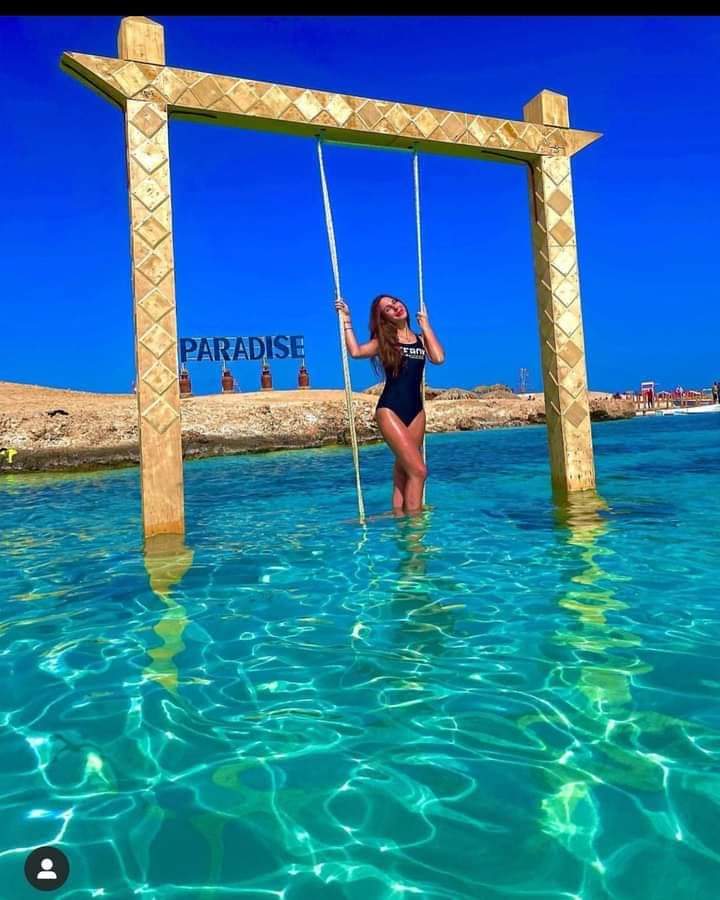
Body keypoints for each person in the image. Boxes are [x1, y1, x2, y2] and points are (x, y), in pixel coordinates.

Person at [335, 294, 445, 513]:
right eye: (388, 309)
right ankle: (415, 527)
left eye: (395, 303)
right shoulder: (385, 341)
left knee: (404, 470)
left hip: (416, 411)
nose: (395, 308)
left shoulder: (420, 339)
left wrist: (425, 325)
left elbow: (439, 358)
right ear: (384, 318)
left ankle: (399, 519)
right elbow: (356, 352)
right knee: (419, 471)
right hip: (390, 410)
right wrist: (346, 319)